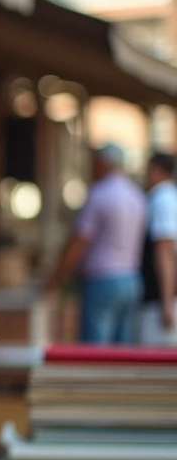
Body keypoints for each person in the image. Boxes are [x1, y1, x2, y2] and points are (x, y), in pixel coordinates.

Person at [47, 143, 147, 344]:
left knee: (95, 351)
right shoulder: (136, 196)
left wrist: (57, 277)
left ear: (103, 163)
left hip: (102, 280)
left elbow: (79, 241)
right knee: (123, 349)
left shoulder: (99, 194)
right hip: (131, 279)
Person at [140, 152, 177, 345]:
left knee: (156, 356)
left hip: (158, 298)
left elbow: (165, 251)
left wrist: (166, 302)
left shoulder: (163, 199)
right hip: (159, 296)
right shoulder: (166, 197)